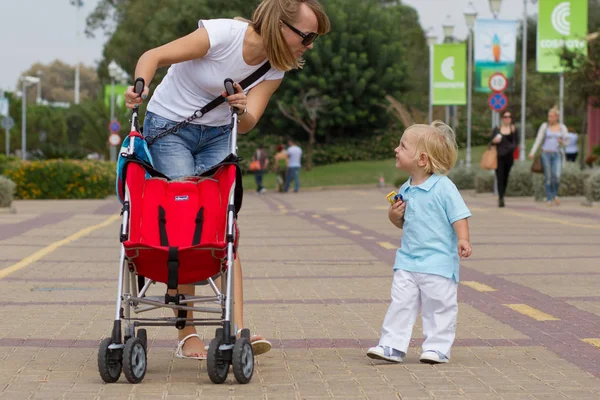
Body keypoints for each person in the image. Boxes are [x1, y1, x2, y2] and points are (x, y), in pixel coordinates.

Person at [124, 0, 330, 360]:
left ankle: (233, 330)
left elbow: (249, 121)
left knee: (223, 228)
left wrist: (240, 107)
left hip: (219, 135)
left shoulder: (276, 68)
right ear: (281, 25)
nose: (310, 46)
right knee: (184, 223)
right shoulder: (222, 36)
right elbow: (153, 55)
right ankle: (187, 334)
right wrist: (140, 87)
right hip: (170, 128)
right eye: (308, 36)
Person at [367, 121, 472, 364]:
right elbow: (403, 222)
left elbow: (459, 215)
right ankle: (392, 345)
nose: (396, 149)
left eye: (403, 146)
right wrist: (394, 216)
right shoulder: (406, 189)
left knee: (439, 306)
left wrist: (463, 239)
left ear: (422, 159)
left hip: (438, 263)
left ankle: (437, 348)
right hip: (408, 261)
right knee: (400, 304)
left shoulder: (444, 187)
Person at [528, 106, 568, 206]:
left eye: (552, 116)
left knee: (557, 176)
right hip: (545, 154)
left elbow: (567, 141)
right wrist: (532, 152)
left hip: (557, 154)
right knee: (548, 177)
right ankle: (549, 198)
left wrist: (562, 141)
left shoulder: (562, 128)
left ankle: (555, 194)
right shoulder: (544, 126)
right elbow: (538, 139)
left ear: (557, 117)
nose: (549, 118)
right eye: (548, 116)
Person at [491, 110, 518, 208]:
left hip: (509, 157)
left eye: (509, 117)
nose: (507, 119)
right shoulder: (497, 129)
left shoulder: (513, 129)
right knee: (499, 177)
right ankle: (501, 197)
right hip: (498, 157)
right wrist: (494, 141)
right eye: (505, 117)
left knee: (506, 177)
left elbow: (516, 143)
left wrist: (509, 148)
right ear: (502, 118)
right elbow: (491, 142)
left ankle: (502, 194)